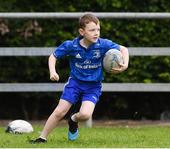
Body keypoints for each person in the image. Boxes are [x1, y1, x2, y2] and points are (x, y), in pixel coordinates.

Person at [30, 13, 129, 143]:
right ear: (82, 31)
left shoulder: (103, 44)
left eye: (98, 29)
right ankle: (42, 138)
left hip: (93, 86)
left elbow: (124, 49)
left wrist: (125, 65)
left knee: (85, 115)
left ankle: (73, 120)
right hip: (75, 84)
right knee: (60, 111)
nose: (96, 33)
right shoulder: (71, 45)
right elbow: (53, 56)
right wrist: (52, 71)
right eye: (92, 30)